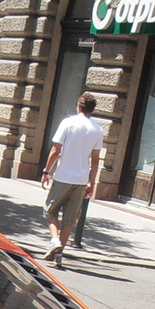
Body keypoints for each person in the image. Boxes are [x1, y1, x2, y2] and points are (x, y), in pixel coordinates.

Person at [39, 92, 105, 267]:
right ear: (92, 109)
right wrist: (92, 182)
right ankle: (58, 257)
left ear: (79, 106)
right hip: (81, 180)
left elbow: (56, 149)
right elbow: (96, 159)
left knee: (50, 210)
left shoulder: (68, 123)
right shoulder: (97, 129)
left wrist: (46, 171)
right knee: (69, 219)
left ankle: (54, 240)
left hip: (63, 176)